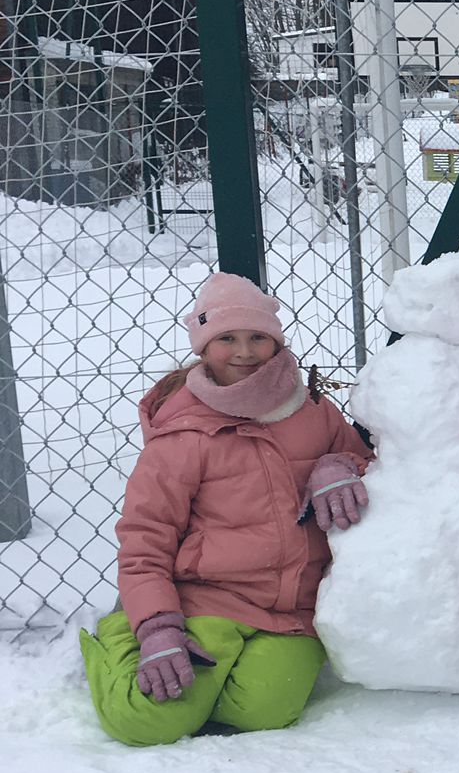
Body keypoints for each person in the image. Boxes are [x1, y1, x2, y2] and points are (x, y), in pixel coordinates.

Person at [80, 272, 371, 745]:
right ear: (202, 346)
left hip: (293, 613)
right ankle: (121, 636)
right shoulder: (183, 433)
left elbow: (373, 466)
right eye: (227, 339)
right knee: (148, 719)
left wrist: (341, 463)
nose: (244, 351)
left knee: (264, 711)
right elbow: (144, 540)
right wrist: (157, 628)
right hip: (206, 601)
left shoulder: (314, 410)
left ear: (276, 344)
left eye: (258, 337)